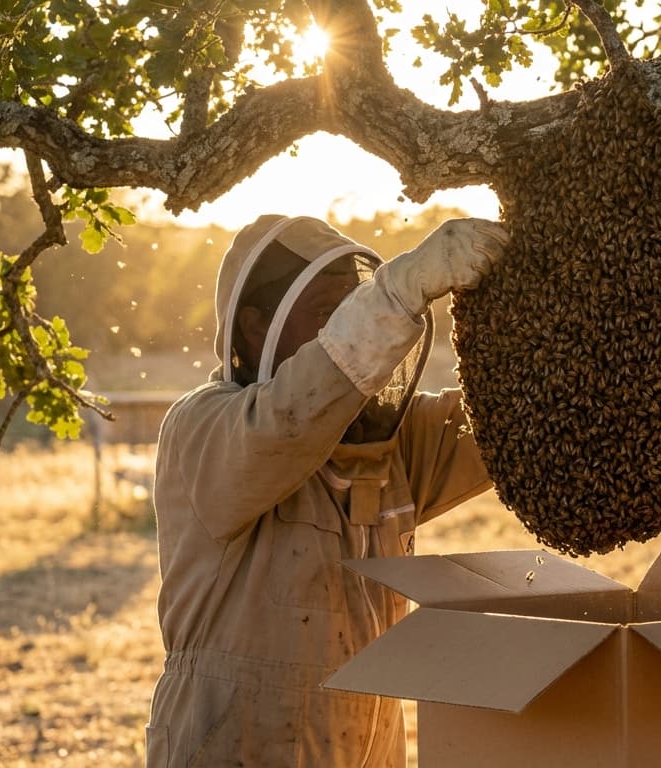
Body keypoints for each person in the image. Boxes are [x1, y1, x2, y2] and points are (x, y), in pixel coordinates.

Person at [145, 214, 509, 766]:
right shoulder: (205, 428)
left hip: (368, 733)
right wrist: (402, 288)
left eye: (352, 307)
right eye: (326, 314)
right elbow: (289, 420)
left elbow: (509, 425)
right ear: (254, 327)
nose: (346, 326)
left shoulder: (391, 440)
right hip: (235, 738)